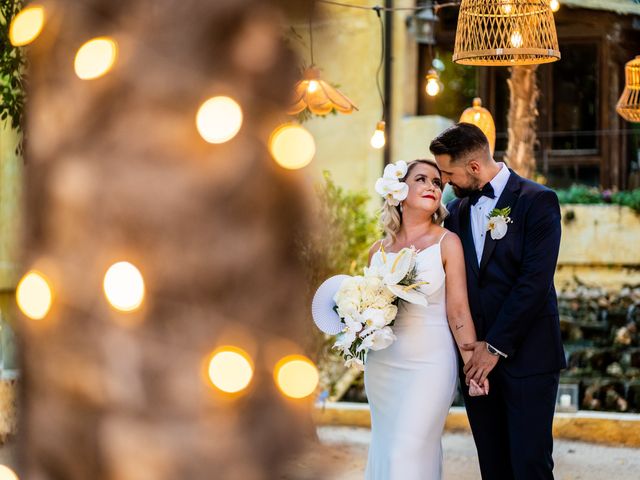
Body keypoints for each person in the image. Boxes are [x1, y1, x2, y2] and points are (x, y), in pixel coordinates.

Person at [430, 123, 566, 480]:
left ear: (474, 167)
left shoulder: (538, 201)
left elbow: (533, 284)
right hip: (475, 365)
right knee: (493, 466)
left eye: (447, 173)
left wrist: (494, 347)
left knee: (530, 464)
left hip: (528, 357)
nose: (444, 181)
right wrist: (471, 353)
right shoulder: (456, 213)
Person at [364, 158, 487, 480]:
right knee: (388, 450)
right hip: (382, 365)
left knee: (407, 450)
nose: (433, 186)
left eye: (437, 182)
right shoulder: (377, 251)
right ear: (399, 191)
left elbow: (458, 310)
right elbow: (365, 306)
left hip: (430, 364)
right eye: (422, 179)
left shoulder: (448, 243)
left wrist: (472, 365)